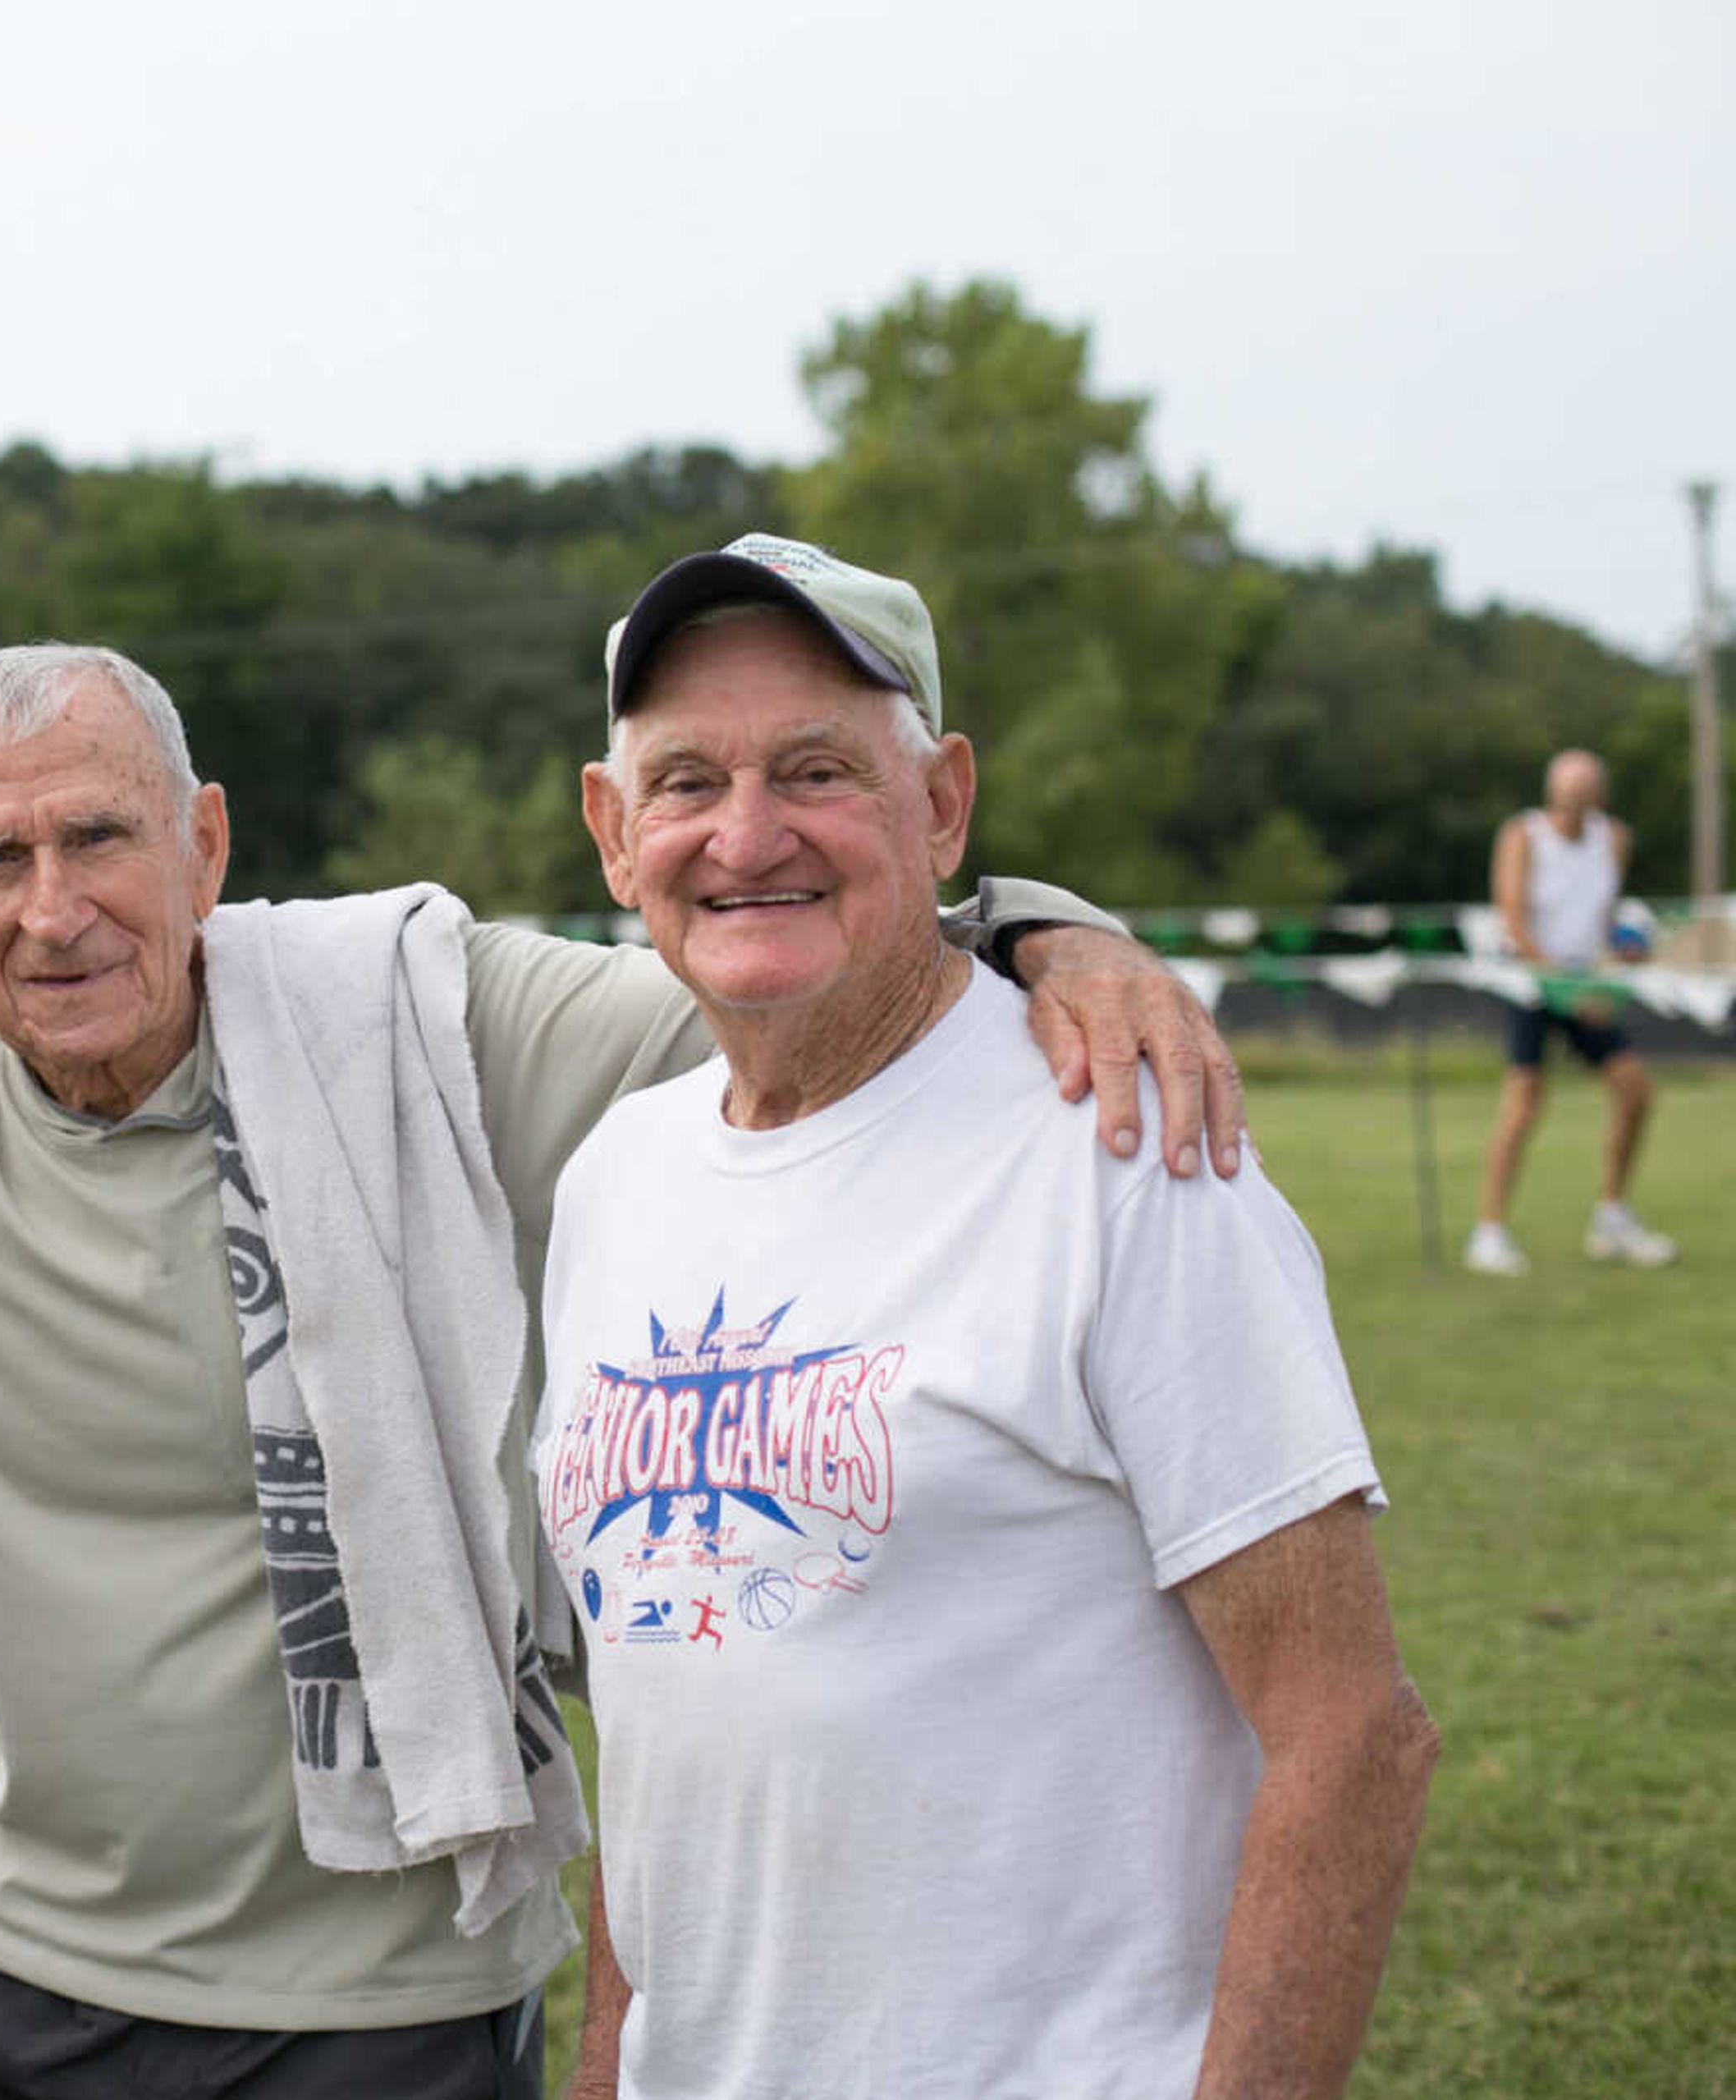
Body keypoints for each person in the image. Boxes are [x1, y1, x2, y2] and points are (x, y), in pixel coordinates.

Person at [0, 503, 1247, 2100]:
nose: (55, 910)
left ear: (206, 844)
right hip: (32, 1967)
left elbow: (783, 959)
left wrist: (1042, 928)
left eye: (101, 839)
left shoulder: (422, 1024)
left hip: (389, 1999)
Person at [543, 534, 1440, 2100]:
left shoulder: (1125, 1152)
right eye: (686, 781)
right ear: (614, 831)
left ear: (943, 803)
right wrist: (616, 2059)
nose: (747, 833)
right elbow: (671, 1702)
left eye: (817, 768)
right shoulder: (615, 1178)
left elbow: (1352, 1734)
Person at [1466, 748, 1674, 1274]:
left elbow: (1604, 919)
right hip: (1533, 985)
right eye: (1567, 790)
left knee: (1635, 1092)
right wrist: (1565, 984)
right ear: (1552, 792)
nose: (1575, 800)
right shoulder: (1523, 836)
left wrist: (1616, 962)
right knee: (1524, 1104)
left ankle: (1612, 1218)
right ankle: (1489, 1233)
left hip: (1586, 985)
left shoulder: (1615, 839)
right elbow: (1512, 918)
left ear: (1598, 793)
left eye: (1584, 789)